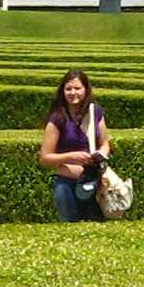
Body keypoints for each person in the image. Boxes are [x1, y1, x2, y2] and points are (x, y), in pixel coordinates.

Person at [38, 69, 111, 223]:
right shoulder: (57, 119)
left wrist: (100, 155)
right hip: (67, 184)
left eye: (77, 88)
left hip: (94, 182)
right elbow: (45, 158)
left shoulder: (95, 112)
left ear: (85, 90)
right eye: (68, 88)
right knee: (70, 227)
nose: (73, 92)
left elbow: (104, 143)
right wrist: (73, 156)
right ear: (62, 91)